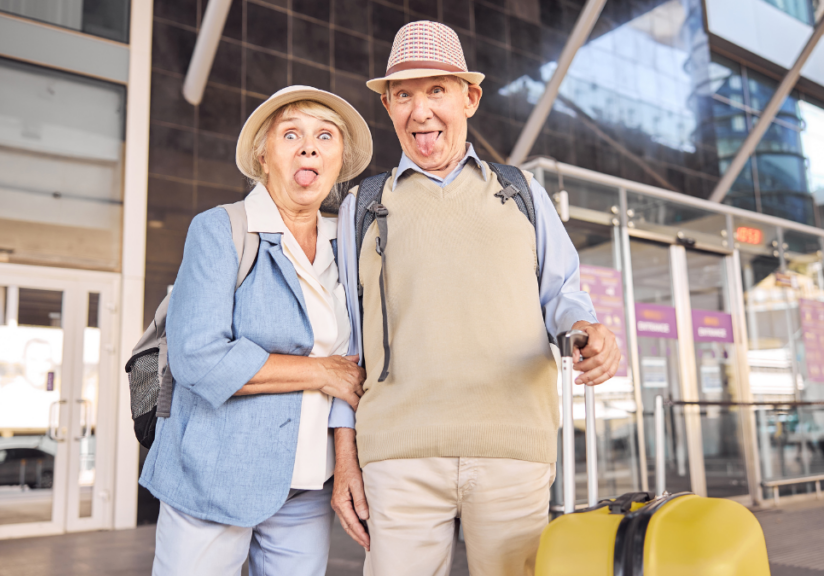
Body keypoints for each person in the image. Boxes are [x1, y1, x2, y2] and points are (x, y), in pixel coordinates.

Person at [330, 20, 623, 576]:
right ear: (389, 106)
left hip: (512, 447)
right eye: (403, 95)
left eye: (436, 90)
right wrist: (344, 458)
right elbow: (346, 346)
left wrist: (589, 331)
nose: (419, 112)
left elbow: (563, 296)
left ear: (470, 97)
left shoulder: (522, 192)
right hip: (398, 454)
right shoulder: (362, 206)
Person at [139, 85, 372, 576]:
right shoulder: (220, 229)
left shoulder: (348, 245)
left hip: (307, 485)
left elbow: (353, 367)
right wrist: (318, 373)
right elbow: (198, 357)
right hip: (213, 475)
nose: (309, 147)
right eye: (291, 134)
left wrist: (346, 458)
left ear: (340, 160)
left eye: (324, 136)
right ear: (264, 157)